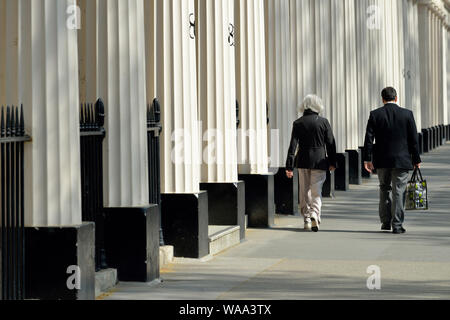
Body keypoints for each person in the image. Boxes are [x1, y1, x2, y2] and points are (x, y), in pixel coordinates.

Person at [363, 87, 422, 234]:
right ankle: (397, 225)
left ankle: (385, 222)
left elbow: (369, 139)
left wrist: (367, 159)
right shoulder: (407, 114)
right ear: (396, 98)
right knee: (399, 191)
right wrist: (416, 159)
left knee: (384, 188)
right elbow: (413, 139)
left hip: (382, 160)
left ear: (382, 99)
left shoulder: (375, 114)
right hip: (402, 160)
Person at [285, 95, 337, 232]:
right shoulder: (323, 122)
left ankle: (307, 218)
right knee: (316, 190)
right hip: (319, 160)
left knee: (304, 190)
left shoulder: (298, 123)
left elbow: (293, 146)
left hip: (302, 159)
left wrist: (289, 166)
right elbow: (331, 143)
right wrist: (333, 161)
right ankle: (315, 213)